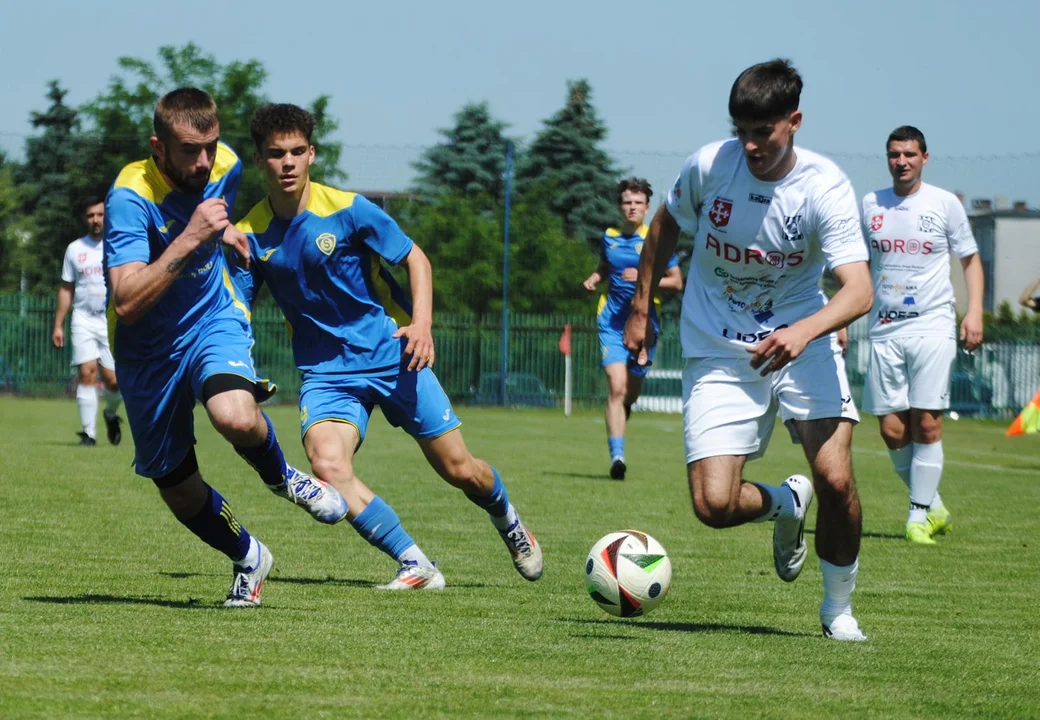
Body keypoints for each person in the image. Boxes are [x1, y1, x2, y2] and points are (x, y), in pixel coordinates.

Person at [231, 103, 543, 590]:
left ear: (312, 154)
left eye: (296, 151)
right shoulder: (249, 234)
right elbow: (237, 311)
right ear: (259, 160)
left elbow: (416, 258)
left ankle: (507, 517)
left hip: (394, 355)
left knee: (460, 470)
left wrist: (421, 325)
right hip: (327, 374)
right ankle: (416, 564)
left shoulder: (349, 209)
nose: (287, 162)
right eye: (276, 154)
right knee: (328, 465)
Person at [624, 59, 873, 641]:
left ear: (794, 122)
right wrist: (640, 307)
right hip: (718, 346)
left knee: (836, 479)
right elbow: (664, 225)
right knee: (713, 506)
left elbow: (859, 289)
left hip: (801, 341)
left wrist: (805, 331)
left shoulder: (824, 187)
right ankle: (785, 504)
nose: (751, 145)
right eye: (741, 131)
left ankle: (837, 609)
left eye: (763, 132)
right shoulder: (709, 166)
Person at [104, 88, 348, 608]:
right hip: (147, 353)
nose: (203, 162)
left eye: (210, 146)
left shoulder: (228, 164)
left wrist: (227, 232)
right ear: (158, 147)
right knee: (176, 485)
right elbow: (126, 301)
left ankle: (283, 477)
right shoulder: (129, 197)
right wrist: (195, 236)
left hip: (212, 319)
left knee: (234, 415)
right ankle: (249, 556)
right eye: (189, 150)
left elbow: (212, 218)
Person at [861, 126, 984, 545]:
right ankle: (935, 506)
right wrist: (840, 320)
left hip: (932, 323)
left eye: (910, 154)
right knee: (893, 431)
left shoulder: (944, 203)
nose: (902, 162)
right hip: (884, 327)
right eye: (895, 154)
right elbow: (856, 265)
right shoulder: (871, 203)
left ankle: (917, 517)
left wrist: (974, 312)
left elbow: (970, 260)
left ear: (924, 158)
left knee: (927, 424)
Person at [583, 178, 683, 480]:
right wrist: (594, 278)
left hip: (645, 326)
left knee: (629, 394)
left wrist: (643, 277)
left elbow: (676, 281)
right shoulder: (609, 237)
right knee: (616, 387)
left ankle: (620, 423)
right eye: (627, 202)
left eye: (638, 203)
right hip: (612, 323)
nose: (632, 208)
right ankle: (618, 457)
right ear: (620, 206)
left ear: (647, 208)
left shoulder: (656, 239)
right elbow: (606, 266)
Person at [52, 197, 123, 446]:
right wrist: (58, 325)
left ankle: (110, 414)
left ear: (107, 217)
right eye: (91, 215)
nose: (96, 220)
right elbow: (66, 288)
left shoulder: (117, 246)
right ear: (85, 218)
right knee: (87, 373)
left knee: (114, 382)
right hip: (83, 319)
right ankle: (89, 433)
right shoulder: (75, 249)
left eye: (100, 215)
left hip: (111, 319)